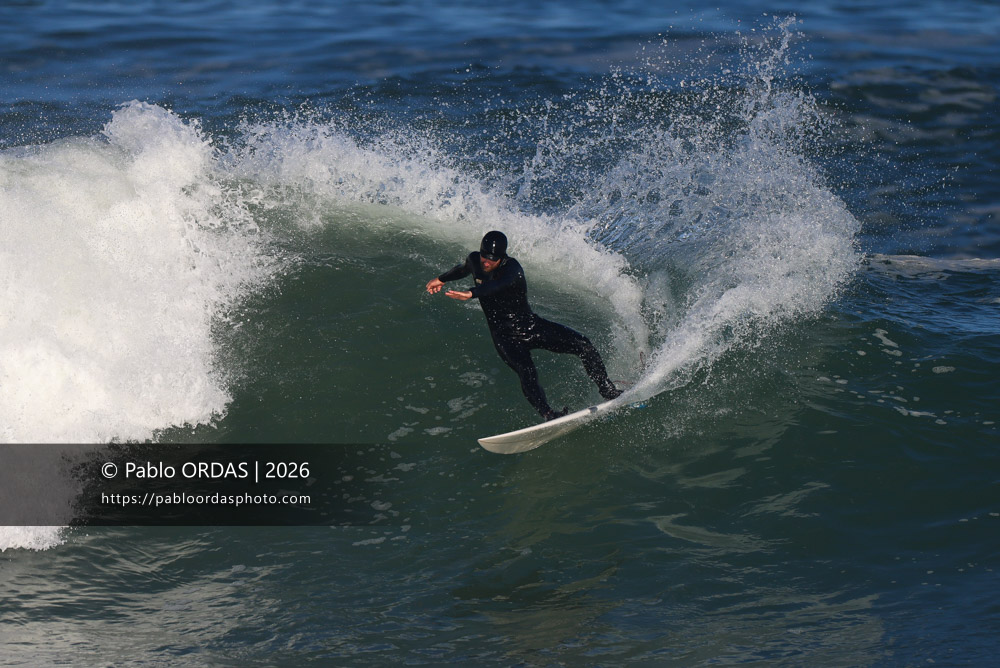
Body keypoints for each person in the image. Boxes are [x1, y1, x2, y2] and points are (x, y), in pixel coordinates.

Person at [426, 231, 622, 421]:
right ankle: (548, 414)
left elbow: (496, 286)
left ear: (502, 257)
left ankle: (607, 389)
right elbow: (462, 269)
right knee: (526, 371)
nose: (486, 261)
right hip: (505, 336)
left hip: (530, 327)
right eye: (484, 256)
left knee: (584, 345)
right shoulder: (475, 260)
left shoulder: (512, 270)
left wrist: (472, 293)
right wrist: (441, 279)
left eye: (492, 259)